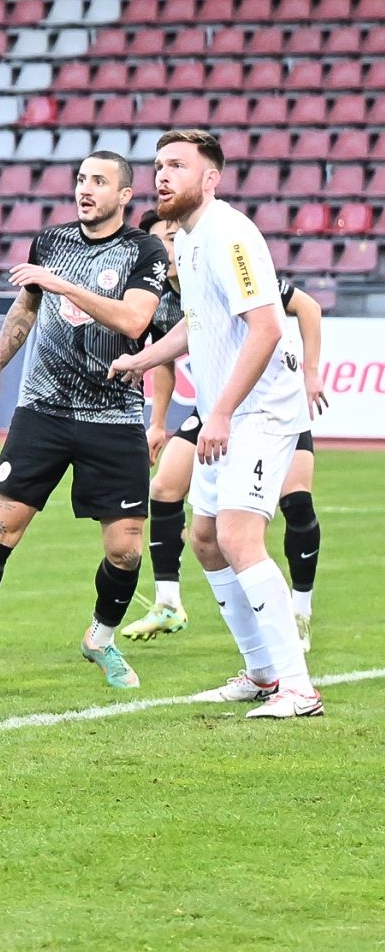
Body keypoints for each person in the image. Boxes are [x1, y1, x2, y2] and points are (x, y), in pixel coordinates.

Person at [0, 153, 169, 696]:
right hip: (43, 410)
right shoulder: (50, 240)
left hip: (113, 415)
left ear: (125, 195)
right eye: (80, 180)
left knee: (125, 550)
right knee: (0, 527)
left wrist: (62, 285)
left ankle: (100, 638)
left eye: (99, 181)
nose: (85, 189)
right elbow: (25, 310)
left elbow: (135, 320)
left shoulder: (143, 250)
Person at [111, 131, 320, 718]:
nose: (163, 176)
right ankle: (261, 674)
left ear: (211, 178)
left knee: (236, 536)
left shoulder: (230, 235)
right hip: (228, 411)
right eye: (158, 166)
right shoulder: (191, 238)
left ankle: (299, 688)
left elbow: (268, 327)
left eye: (178, 165)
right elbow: (198, 327)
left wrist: (221, 412)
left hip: (261, 411)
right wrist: (142, 359)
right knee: (204, 541)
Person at [125, 214, 329, 648]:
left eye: (170, 238)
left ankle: (301, 609)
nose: (166, 250)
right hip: (218, 406)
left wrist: (311, 372)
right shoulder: (159, 298)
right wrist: (157, 423)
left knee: (293, 503)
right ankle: (168, 600)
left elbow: (306, 309)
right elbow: (164, 356)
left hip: (269, 403)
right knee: (166, 490)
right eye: (158, 242)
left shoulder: (224, 265)